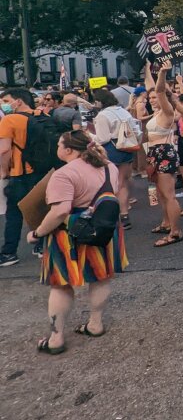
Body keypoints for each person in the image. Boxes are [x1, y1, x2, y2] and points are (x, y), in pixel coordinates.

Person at [27, 130, 127, 354]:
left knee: (61, 285)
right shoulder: (109, 166)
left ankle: (56, 338)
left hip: (69, 234)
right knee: (101, 277)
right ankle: (95, 323)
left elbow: (60, 211)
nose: (58, 149)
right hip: (102, 228)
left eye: (59, 145)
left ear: (69, 150)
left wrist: (38, 233)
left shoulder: (64, 174)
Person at [0, 88, 41, 266]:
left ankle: (9, 252)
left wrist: (4, 172)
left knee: (14, 213)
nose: (4, 104)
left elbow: (4, 149)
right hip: (41, 170)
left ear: (19, 101)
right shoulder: (42, 115)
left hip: (19, 171)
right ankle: (41, 244)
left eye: (6, 100)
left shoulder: (9, 120)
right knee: (38, 209)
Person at [144, 61, 183, 247]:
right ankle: (167, 222)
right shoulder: (155, 114)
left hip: (164, 153)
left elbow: (159, 90)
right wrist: (147, 69)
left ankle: (175, 232)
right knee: (161, 193)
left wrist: (162, 73)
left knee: (169, 195)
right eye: (149, 97)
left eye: (154, 97)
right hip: (154, 153)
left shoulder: (167, 112)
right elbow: (151, 86)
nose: (152, 99)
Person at [92, 88, 142, 231]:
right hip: (127, 149)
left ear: (100, 101)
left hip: (112, 150)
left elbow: (102, 138)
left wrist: (89, 135)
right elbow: (137, 130)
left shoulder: (102, 115)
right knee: (123, 183)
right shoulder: (123, 111)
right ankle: (124, 215)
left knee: (112, 185)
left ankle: (112, 215)